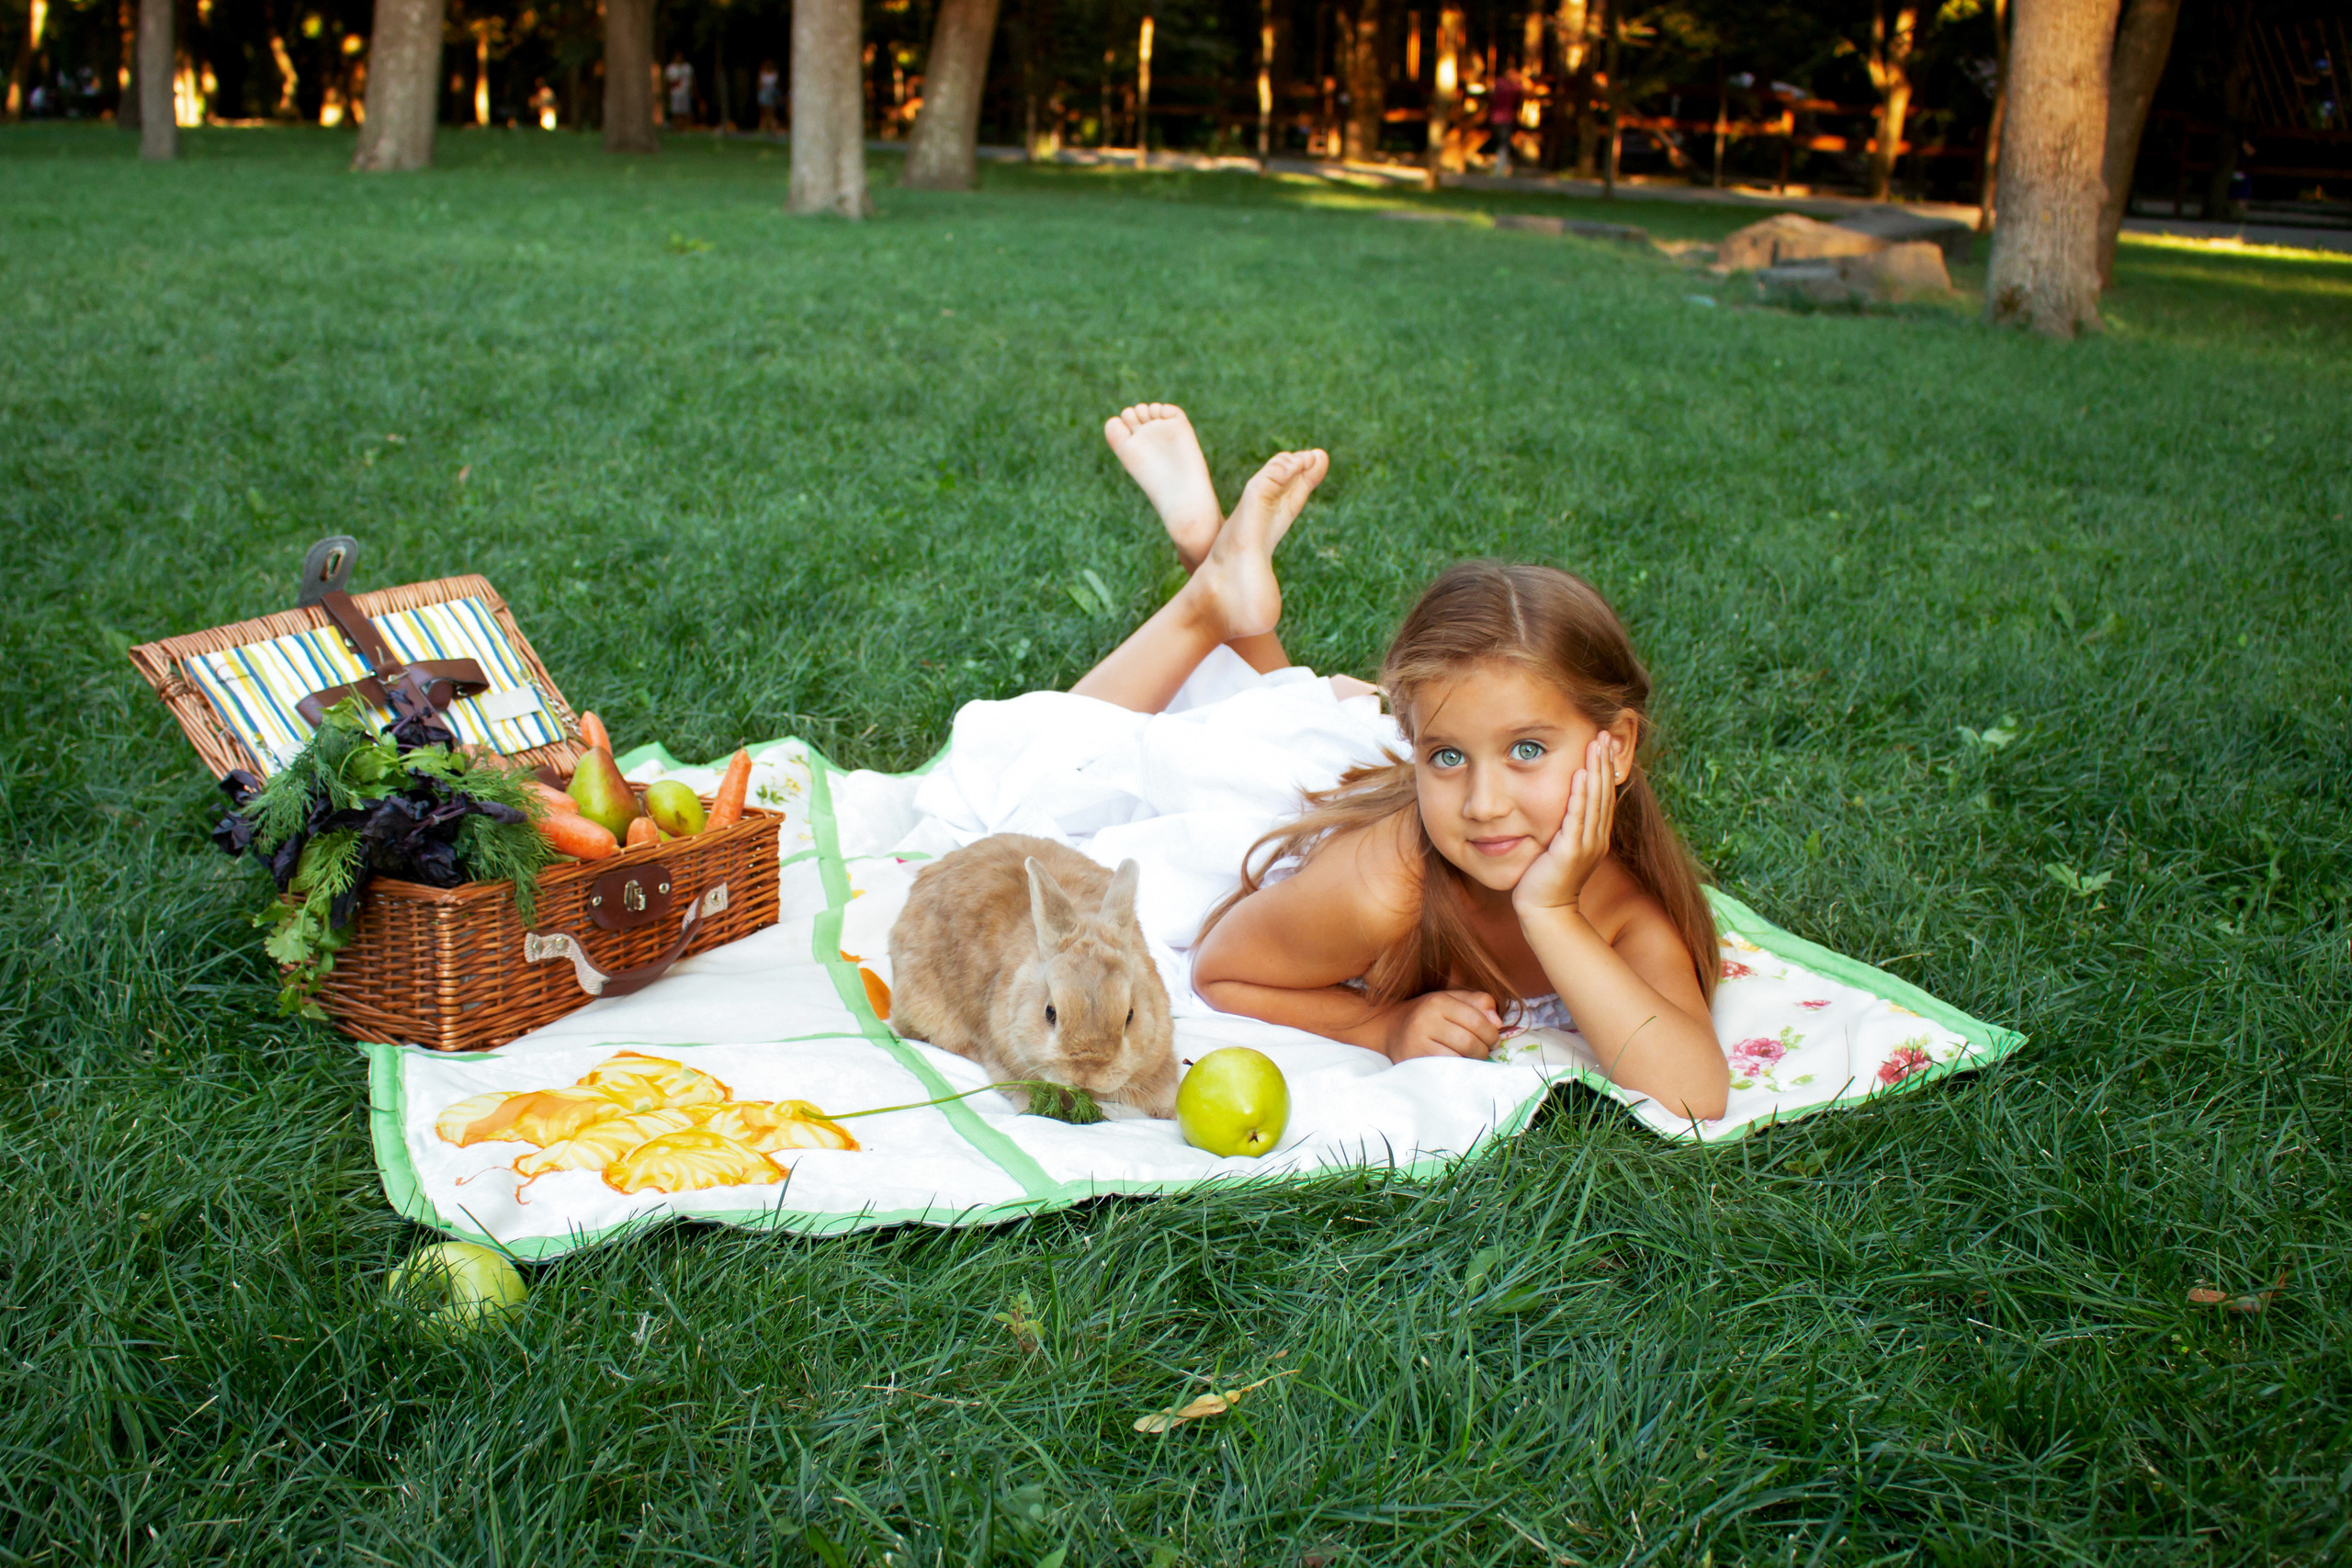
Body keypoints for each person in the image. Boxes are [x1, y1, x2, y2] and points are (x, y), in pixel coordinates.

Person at [1089, 404, 1728, 1122]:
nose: (1486, 803)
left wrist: (1551, 912)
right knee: (1063, 745)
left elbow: (1694, 1091)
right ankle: (1208, 596)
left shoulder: (1622, 910)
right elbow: (1221, 970)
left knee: (1293, 707)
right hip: (1289, 799)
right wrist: (1381, 1028)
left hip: (1361, 759)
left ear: (1615, 748)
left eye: (1527, 750)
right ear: (1418, 745)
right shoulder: (1382, 886)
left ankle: (1224, 567)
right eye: (1448, 755)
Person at [1488, 68, 1525, 175]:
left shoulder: (1497, 83)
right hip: (1505, 118)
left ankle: (1505, 166)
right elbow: (1525, 89)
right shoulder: (1511, 87)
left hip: (1495, 118)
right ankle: (1500, 167)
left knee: (1502, 142)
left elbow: (1492, 98)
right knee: (1504, 143)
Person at [664, 55, 695, 128]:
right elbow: (667, 81)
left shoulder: (687, 67)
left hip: (685, 93)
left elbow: (693, 79)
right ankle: (677, 128)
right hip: (675, 93)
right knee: (676, 111)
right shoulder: (671, 68)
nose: (679, 58)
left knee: (685, 111)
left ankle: (684, 128)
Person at [755, 60, 781, 134]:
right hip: (763, 94)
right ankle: (763, 128)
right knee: (763, 112)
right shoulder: (762, 74)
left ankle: (772, 128)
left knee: (771, 112)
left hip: (772, 94)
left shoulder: (775, 75)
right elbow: (759, 84)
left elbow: (777, 85)